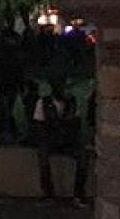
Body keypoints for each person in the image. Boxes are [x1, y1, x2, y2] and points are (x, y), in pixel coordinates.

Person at [32, 78, 88, 206]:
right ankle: (48, 194)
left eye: (64, 87)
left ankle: (78, 194)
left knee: (83, 156)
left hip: (68, 140)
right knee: (43, 155)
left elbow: (76, 123)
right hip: (51, 139)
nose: (63, 91)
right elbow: (39, 125)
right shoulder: (43, 102)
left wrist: (69, 131)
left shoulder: (72, 102)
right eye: (60, 87)